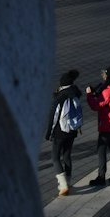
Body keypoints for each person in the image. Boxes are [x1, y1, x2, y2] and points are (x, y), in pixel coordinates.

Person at [46, 69, 81, 197]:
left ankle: (63, 185)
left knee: (55, 157)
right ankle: (69, 182)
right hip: (72, 130)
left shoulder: (60, 97)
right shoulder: (75, 93)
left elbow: (53, 117)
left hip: (60, 131)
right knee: (67, 155)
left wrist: (49, 133)